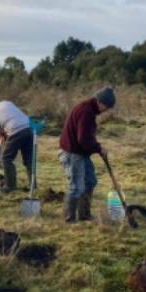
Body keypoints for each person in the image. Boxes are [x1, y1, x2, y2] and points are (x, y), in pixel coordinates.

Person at [58, 87, 116, 222]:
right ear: (100, 102)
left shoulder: (89, 110)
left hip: (80, 152)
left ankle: (84, 215)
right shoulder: (86, 112)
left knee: (90, 182)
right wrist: (98, 148)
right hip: (72, 153)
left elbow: (86, 136)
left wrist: (97, 146)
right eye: (106, 107)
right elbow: (83, 140)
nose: (106, 110)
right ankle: (69, 218)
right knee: (77, 187)